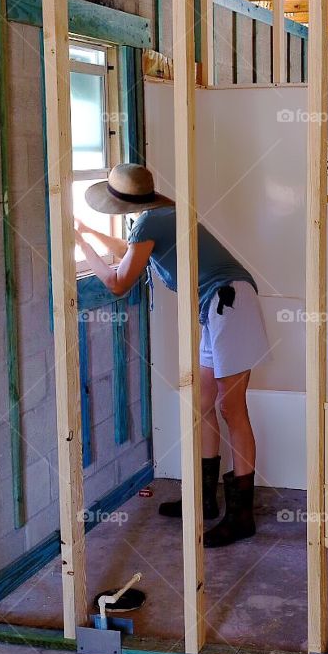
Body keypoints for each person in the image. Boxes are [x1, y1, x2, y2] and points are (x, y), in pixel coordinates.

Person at [75, 162, 270, 548]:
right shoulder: (158, 218)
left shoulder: (151, 222)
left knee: (233, 409)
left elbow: (117, 282)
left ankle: (241, 515)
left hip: (229, 303)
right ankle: (204, 500)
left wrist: (78, 246)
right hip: (216, 308)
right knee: (201, 403)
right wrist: (90, 233)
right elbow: (131, 254)